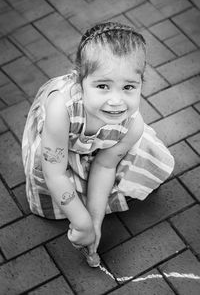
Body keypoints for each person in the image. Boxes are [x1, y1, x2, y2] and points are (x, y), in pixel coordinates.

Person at [22, 22, 174, 267]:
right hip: (59, 142)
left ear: (141, 84)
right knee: (62, 189)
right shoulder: (61, 109)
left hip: (102, 143)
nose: (116, 100)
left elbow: (104, 165)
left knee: (110, 170)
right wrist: (80, 222)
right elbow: (55, 173)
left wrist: (94, 221)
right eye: (103, 86)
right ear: (80, 80)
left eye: (128, 87)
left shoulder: (131, 125)